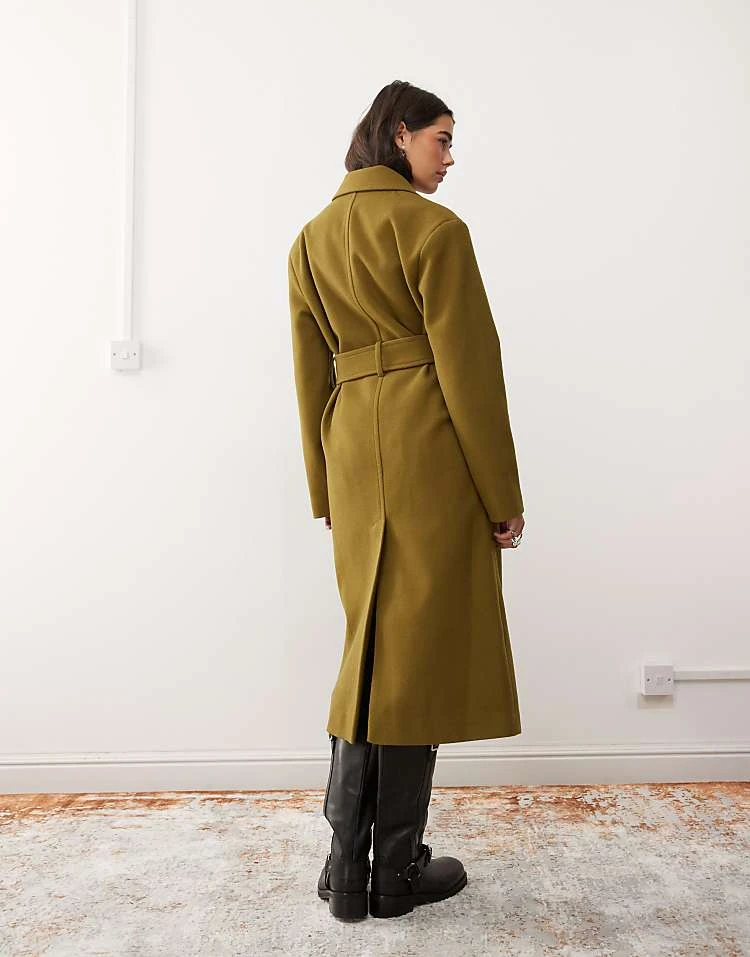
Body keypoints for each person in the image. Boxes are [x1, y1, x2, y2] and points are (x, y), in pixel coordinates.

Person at [288, 80, 526, 921]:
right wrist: (502, 494)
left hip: (354, 449)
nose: (450, 157)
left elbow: (309, 373)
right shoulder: (435, 229)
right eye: (441, 139)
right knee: (414, 653)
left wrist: (323, 485)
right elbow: (470, 369)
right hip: (427, 445)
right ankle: (392, 869)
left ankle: (349, 870)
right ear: (399, 135)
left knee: (371, 648)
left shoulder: (311, 239)